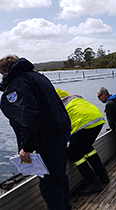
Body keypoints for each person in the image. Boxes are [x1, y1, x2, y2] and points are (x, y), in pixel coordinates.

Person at [0, 55, 72, 210]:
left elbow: (28, 119)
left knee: (49, 187)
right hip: (60, 133)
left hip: (48, 140)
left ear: (4, 72)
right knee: (59, 177)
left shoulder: (18, 84)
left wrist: (27, 147)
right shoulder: (38, 77)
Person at [55, 89, 109, 196]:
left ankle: (93, 182)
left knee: (73, 153)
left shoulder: (56, 105)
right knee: (86, 148)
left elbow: (60, 129)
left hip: (84, 123)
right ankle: (103, 176)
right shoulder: (72, 98)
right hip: (97, 118)